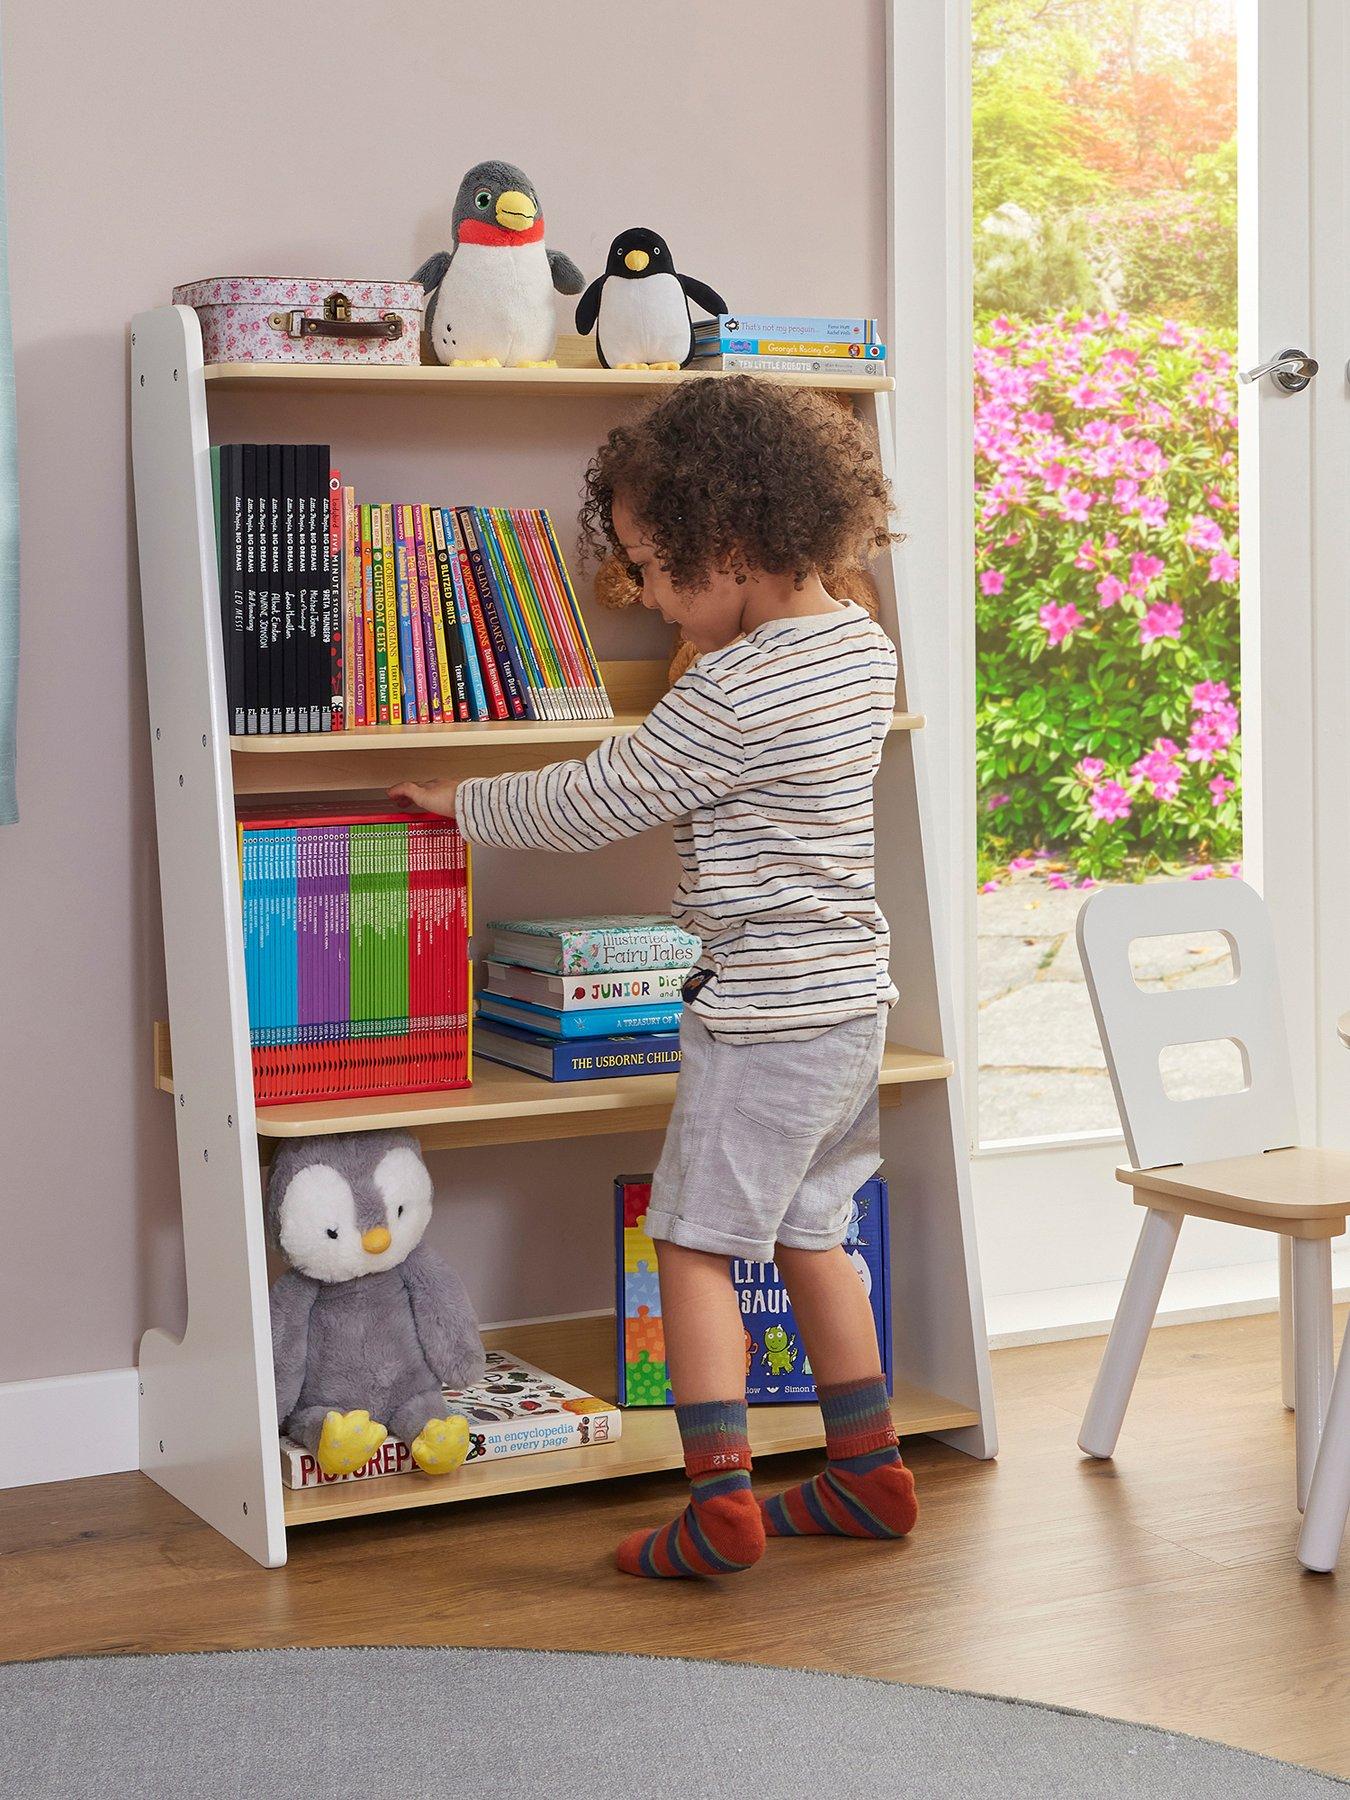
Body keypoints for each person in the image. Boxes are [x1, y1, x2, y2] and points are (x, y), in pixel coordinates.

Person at [389, 376, 918, 1577]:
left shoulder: (733, 687)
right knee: (812, 1233)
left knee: (688, 1245)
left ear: (730, 546)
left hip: (763, 1016)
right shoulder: (859, 648)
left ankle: (719, 1503)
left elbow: (595, 799)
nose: (643, 594)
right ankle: (867, 1471)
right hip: (847, 1005)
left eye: (652, 568)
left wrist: (459, 802)